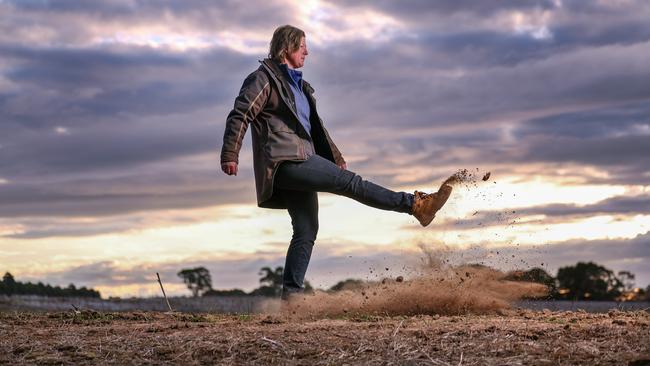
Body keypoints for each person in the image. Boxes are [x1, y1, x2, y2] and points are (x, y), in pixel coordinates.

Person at [221, 25, 452, 300]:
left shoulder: (300, 86)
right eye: (302, 46)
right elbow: (240, 113)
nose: (307, 51)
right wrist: (230, 154)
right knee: (352, 184)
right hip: (285, 160)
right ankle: (416, 205)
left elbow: (315, 128)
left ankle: (291, 301)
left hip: (304, 157)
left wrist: (336, 158)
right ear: (287, 48)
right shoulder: (263, 79)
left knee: (306, 230)